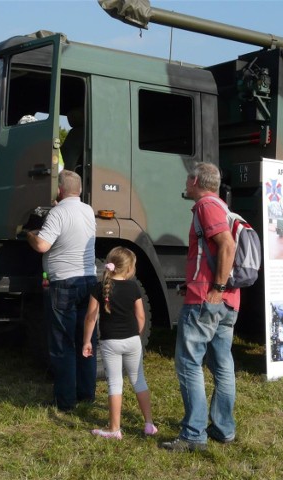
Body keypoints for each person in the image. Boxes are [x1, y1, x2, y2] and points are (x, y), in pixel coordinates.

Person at [161, 162, 240, 452]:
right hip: (229, 300)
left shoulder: (207, 206)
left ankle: (194, 435)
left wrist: (215, 290)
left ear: (195, 180)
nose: (185, 184)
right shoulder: (222, 206)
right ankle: (223, 429)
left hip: (208, 300)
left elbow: (227, 246)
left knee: (188, 363)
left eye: (187, 179)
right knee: (222, 365)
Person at [26, 169, 97, 411]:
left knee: (62, 343)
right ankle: (86, 394)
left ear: (59, 190)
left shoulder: (58, 213)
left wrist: (30, 234)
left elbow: (42, 245)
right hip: (88, 281)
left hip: (64, 283)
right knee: (85, 339)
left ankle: (65, 401)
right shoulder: (88, 210)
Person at [82, 247, 157, 440]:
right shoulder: (134, 287)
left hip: (110, 342)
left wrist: (86, 342)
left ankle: (115, 429)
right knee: (138, 379)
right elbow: (141, 316)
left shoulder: (99, 288)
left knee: (115, 383)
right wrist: (136, 335)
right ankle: (149, 423)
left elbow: (91, 318)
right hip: (132, 340)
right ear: (130, 268)